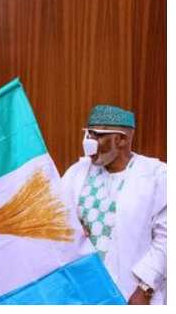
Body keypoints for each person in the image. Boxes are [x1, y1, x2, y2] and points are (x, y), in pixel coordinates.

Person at [62, 105, 166, 304]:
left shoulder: (157, 176)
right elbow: (56, 217)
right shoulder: (76, 172)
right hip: (82, 290)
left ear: (122, 140)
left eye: (97, 136)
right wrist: (71, 227)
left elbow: (167, 237)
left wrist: (145, 288)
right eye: (88, 135)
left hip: (132, 291)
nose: (89, 144)